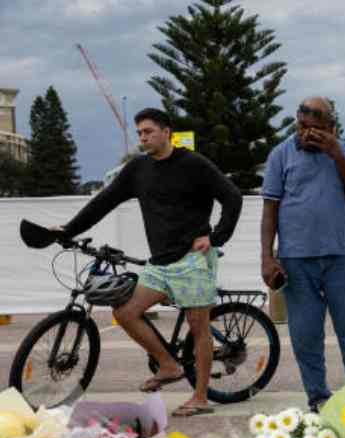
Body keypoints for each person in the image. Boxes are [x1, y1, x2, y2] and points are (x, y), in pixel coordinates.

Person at [60, 108, 243, 416]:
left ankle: (199, 397)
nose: (142, 137)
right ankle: (170, 365)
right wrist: (68, 229)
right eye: (140, 133)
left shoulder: (193, 164)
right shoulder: (137, 169)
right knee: (126, 311)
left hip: (192, 259)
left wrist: (216, 237)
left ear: (166, 131)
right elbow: (103, 201)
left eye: (148, 131)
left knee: (198, 328)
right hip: (159, 263)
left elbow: (232, 196)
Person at [260, 97, 345, 413]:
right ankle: (318, 397)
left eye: (315, 128)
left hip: (340, 256)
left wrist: (336, 154)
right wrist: (267, 258)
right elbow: (270, 210)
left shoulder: (344, 150)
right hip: (296, 260)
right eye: (301, 126)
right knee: (305, 333)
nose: (306, 133)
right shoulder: (280, 155)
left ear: (331, 127)